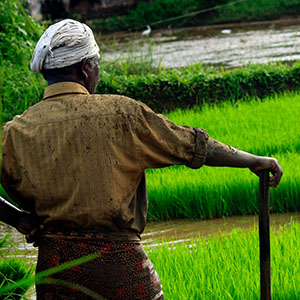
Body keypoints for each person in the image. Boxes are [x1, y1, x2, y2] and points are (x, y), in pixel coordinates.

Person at [1, 19, 282, 300]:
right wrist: (252, 160)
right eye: (96, 63)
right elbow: (192, 145)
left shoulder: (15, 131)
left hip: (55, 274)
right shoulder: (121, 113)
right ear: (86, 68)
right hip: (120, 269)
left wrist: (17, 219)